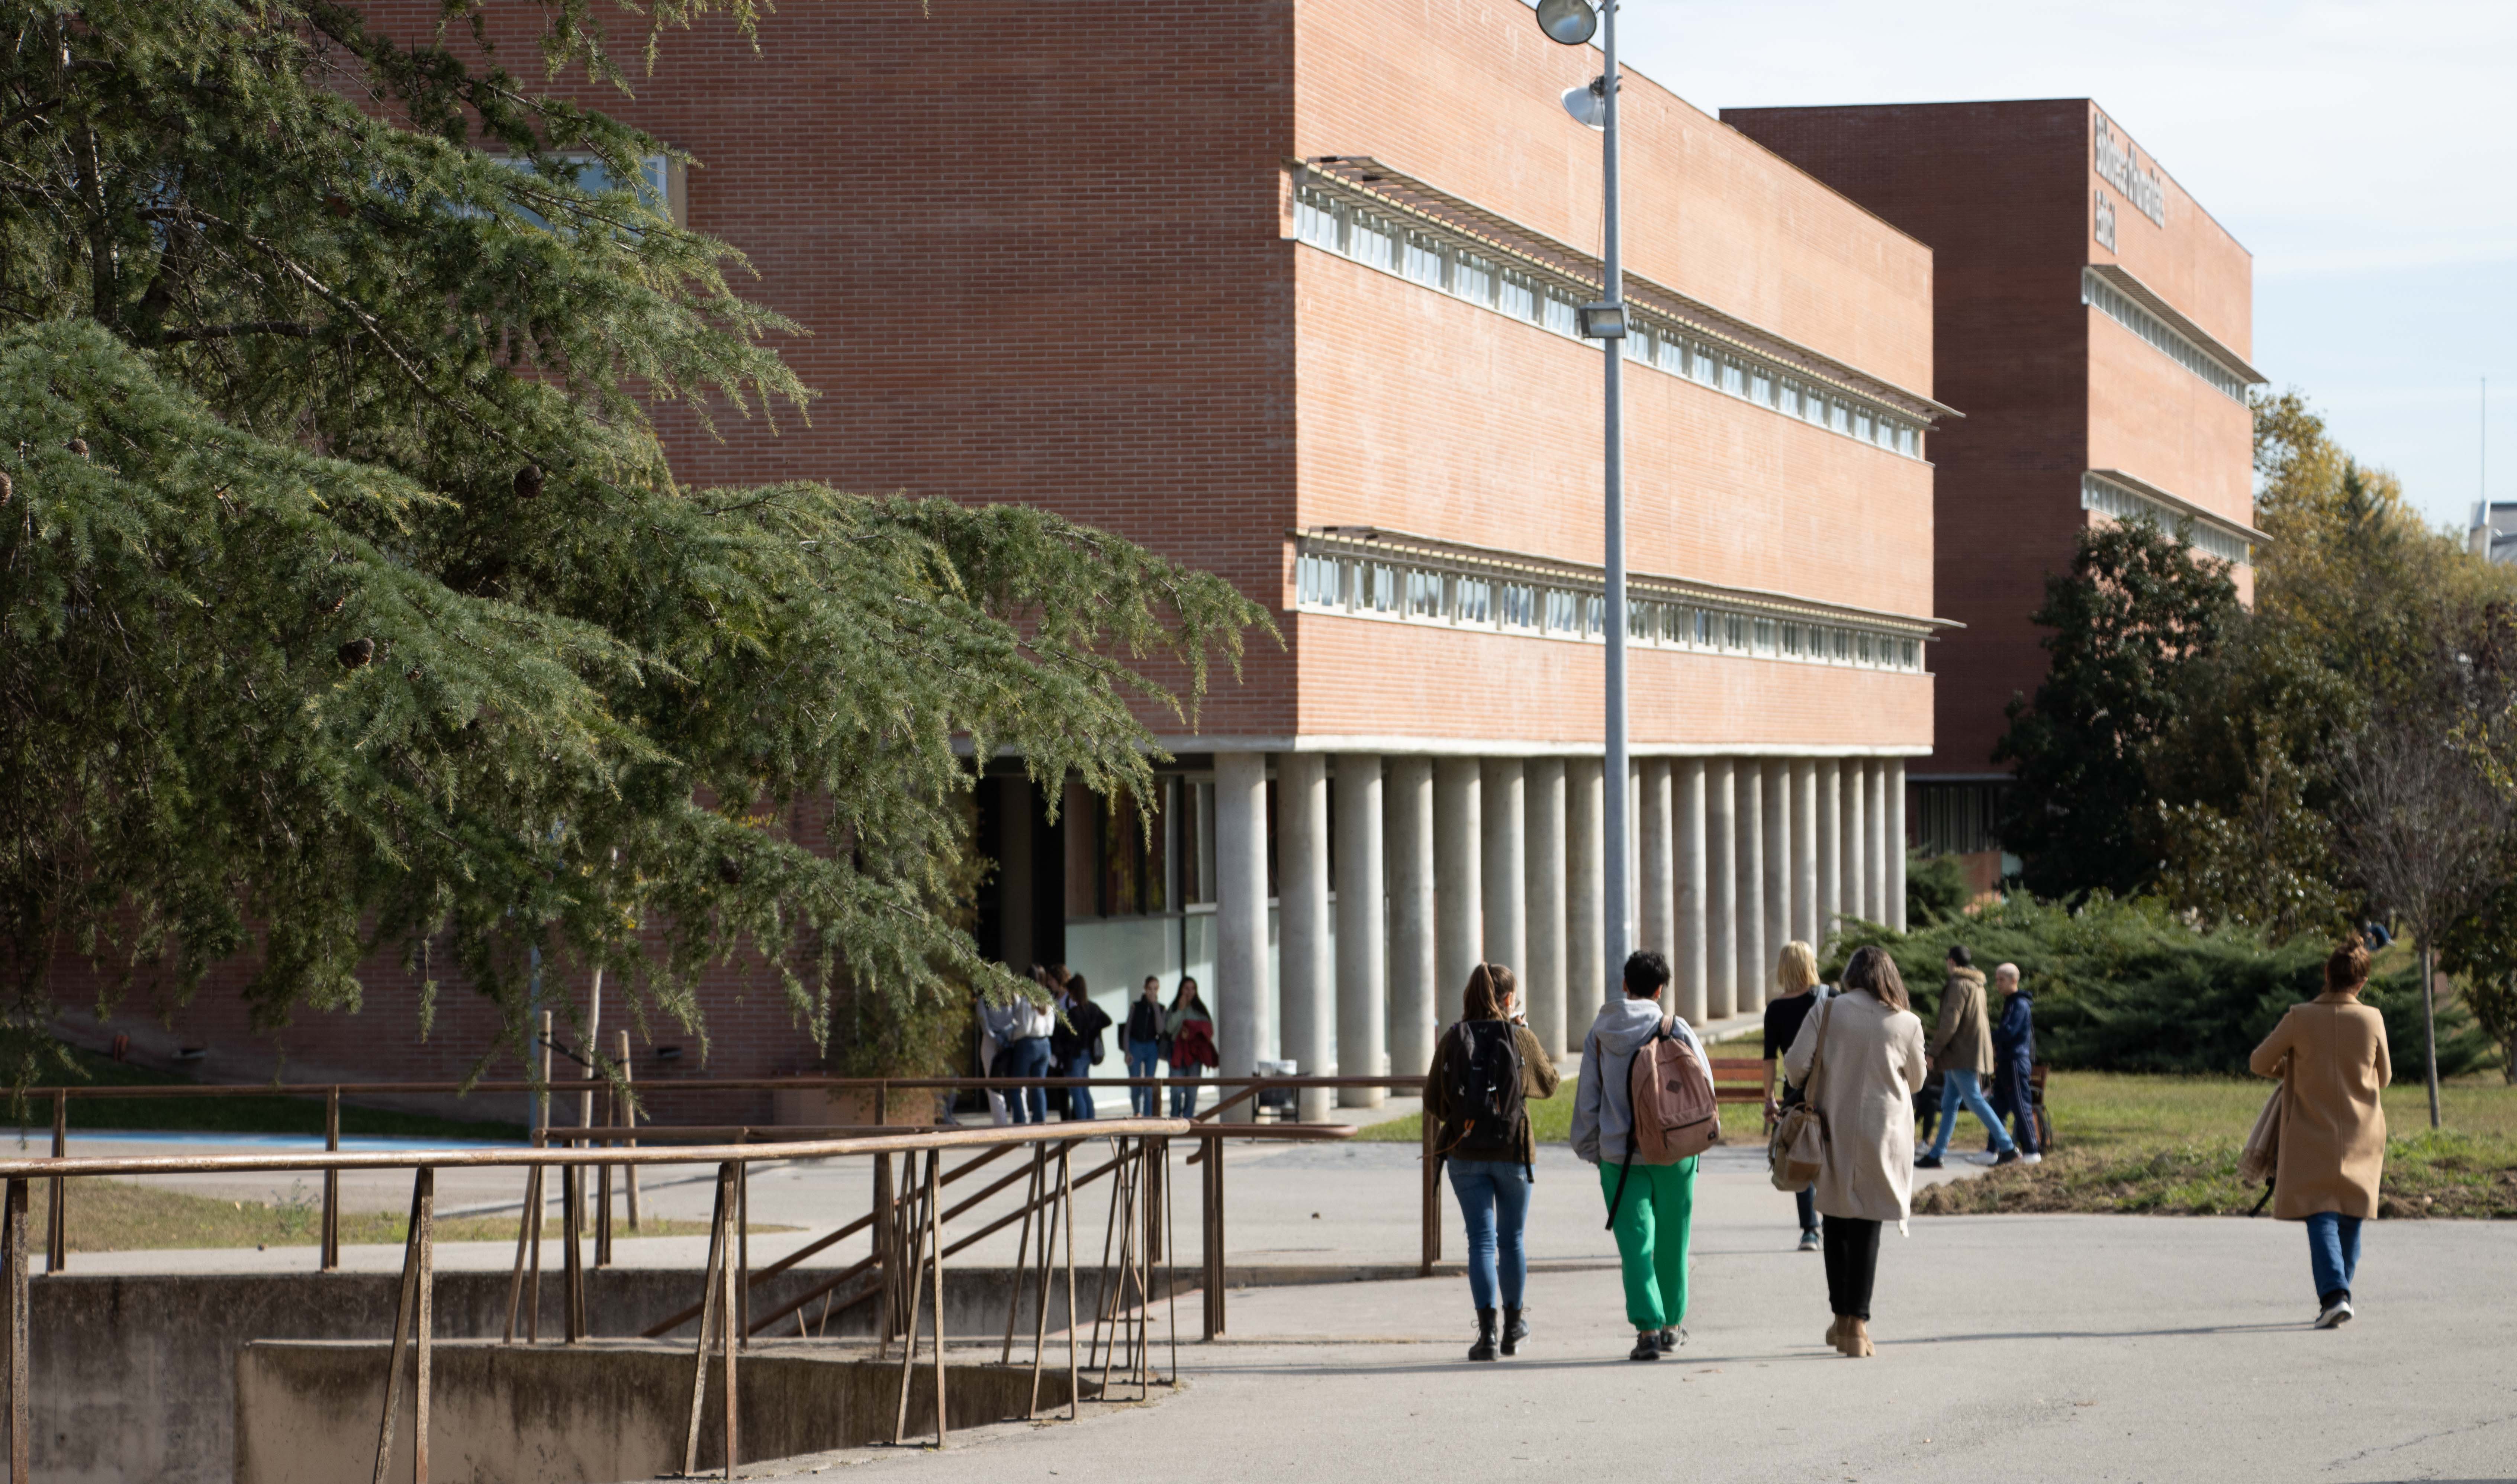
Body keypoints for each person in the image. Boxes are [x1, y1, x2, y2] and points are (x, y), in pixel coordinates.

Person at [1783, 943, 1927, 1358]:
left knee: (1836, 1221)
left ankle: (1842, 1319)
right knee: (1868, 1225)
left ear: (1851, 975)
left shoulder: (1828, 1009)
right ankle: (1858, 1326)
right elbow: (1916, 1081)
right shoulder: (1907, 1022)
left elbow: (1795, 1065)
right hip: (1885, 1132)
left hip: (1833, 1126)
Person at [1572, 948, 1706, 1362]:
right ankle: (1672, 1326)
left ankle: (1647, 1329)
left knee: (1635, 1244)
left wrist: (1595, 1150)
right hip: (1676, 1151)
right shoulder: (1675, 1027)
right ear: (1660, 988)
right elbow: (1705, 1086)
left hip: (1620, 1155)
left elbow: (1587, 1100)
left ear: (1625, 986)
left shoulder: (1600, 1032)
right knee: (1674, 1239)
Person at [2249, 939, 2392, 1329]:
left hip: (2312, 1127)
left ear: (2327, 974)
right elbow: (2385, 1076)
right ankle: (2339, 1293)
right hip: (2362, 1130)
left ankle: (2334, 1295)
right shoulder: (2372, 1019)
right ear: (2362, 980)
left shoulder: (2299, 1016)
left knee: (2321, 1213)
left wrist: (2295, 1070)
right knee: (2351, 1215)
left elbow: (2259, 1061)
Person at [1425, 962, 1562, 1362]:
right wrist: (1523, 1032)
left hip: (1465, 1154)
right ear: (1507, 999)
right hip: (1512, 1151)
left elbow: (1433, 1099)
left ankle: (1486, 1334)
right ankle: (1514, 1328)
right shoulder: (1519, 1036)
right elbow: (1550, 1084)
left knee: (1480, 1241)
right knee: (1512, 1239)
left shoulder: (1453, 1038)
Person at [1916, 945, 2019, 1169]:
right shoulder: (1976, 984)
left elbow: (1950, 1022)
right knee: (1950, 1103)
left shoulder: (1958, 984)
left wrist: (1933, 1052)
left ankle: (2008, 1147)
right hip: (1967, 1052)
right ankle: (1937, 1154)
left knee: (1973, 1100)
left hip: (1962, 1053)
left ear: (1952, 962)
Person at [1761, 940, 1830, 1252]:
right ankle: (1833, 1220)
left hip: (1795, 1095)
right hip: (1831, 1090)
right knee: (1830, 1157)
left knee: (1801, 1156)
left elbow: (1769, 1059)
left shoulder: (1775, 1009)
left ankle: (1809, 1232)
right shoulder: (1829, 999)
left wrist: (1769, 1099)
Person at [1986, 962, 2042, 1163]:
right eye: (1997, 980)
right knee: (1998, 1108)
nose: (1997, 984)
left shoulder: (2019, 1004)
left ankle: (2032, 1151)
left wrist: (1987, 1036)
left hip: (2015, 1062)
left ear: (2014, 981)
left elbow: (2009, 1032)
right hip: (2006, 1062)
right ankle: (1992, 1150)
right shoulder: (2011, 1002)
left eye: (2001, 980)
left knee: (2020, 1106)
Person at [985, 983, 1056, 1125]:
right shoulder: (1047, 1001)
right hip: (1045, 1044)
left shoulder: (1026, 1001)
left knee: (1016, 1086)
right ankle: (1040, 1124)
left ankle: (1020, 1124)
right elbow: (1050, 1029)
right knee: (1039, 1086)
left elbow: (1025, 1028)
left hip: (1028, 1044)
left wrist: (1011, 1036)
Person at [1050, 971, 1111, 1121]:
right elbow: (1107, 1020)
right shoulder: (1092, 1008)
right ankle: (1091, 1123)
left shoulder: (1073, 1014)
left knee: (1077, 1093)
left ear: (1073, 992)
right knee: (1084, 1090)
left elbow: (1065, 1036)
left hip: (1075, 1056)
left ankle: (1084, 1125)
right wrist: (1093, 1031)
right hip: (1087, 1054)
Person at [1163, 977, 1216, 1117]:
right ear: (1181, 990)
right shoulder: (1174, 1007)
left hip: (1194, 1053)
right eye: (1187, 988)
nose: (1190, 992)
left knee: (1192, 1089)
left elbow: (1208, 1031)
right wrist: (1180, 1010)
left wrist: (1191, 1033)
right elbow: (1169, 1029)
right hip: (1177, 1051)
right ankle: (1175, 1117)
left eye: (1193, 989)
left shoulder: (1200, 1009)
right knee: (1176, 1089)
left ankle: (1188, 1119)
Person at [1124, 975, 1167, 1118]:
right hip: (1136, 1044)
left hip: (1151, 1046)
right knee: (1136, 1083)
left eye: (1155, 989)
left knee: (1150, 1084)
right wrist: (1127, 1051)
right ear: (1145, 989)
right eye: (1150, 989)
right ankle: (1137, 1111)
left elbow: (1161, 1030)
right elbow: (1127, 1030)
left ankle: (1148, 1116)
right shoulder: (1136, 1006)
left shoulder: (1161, 1008)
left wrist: (1155, 1006)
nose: (1152, 992)